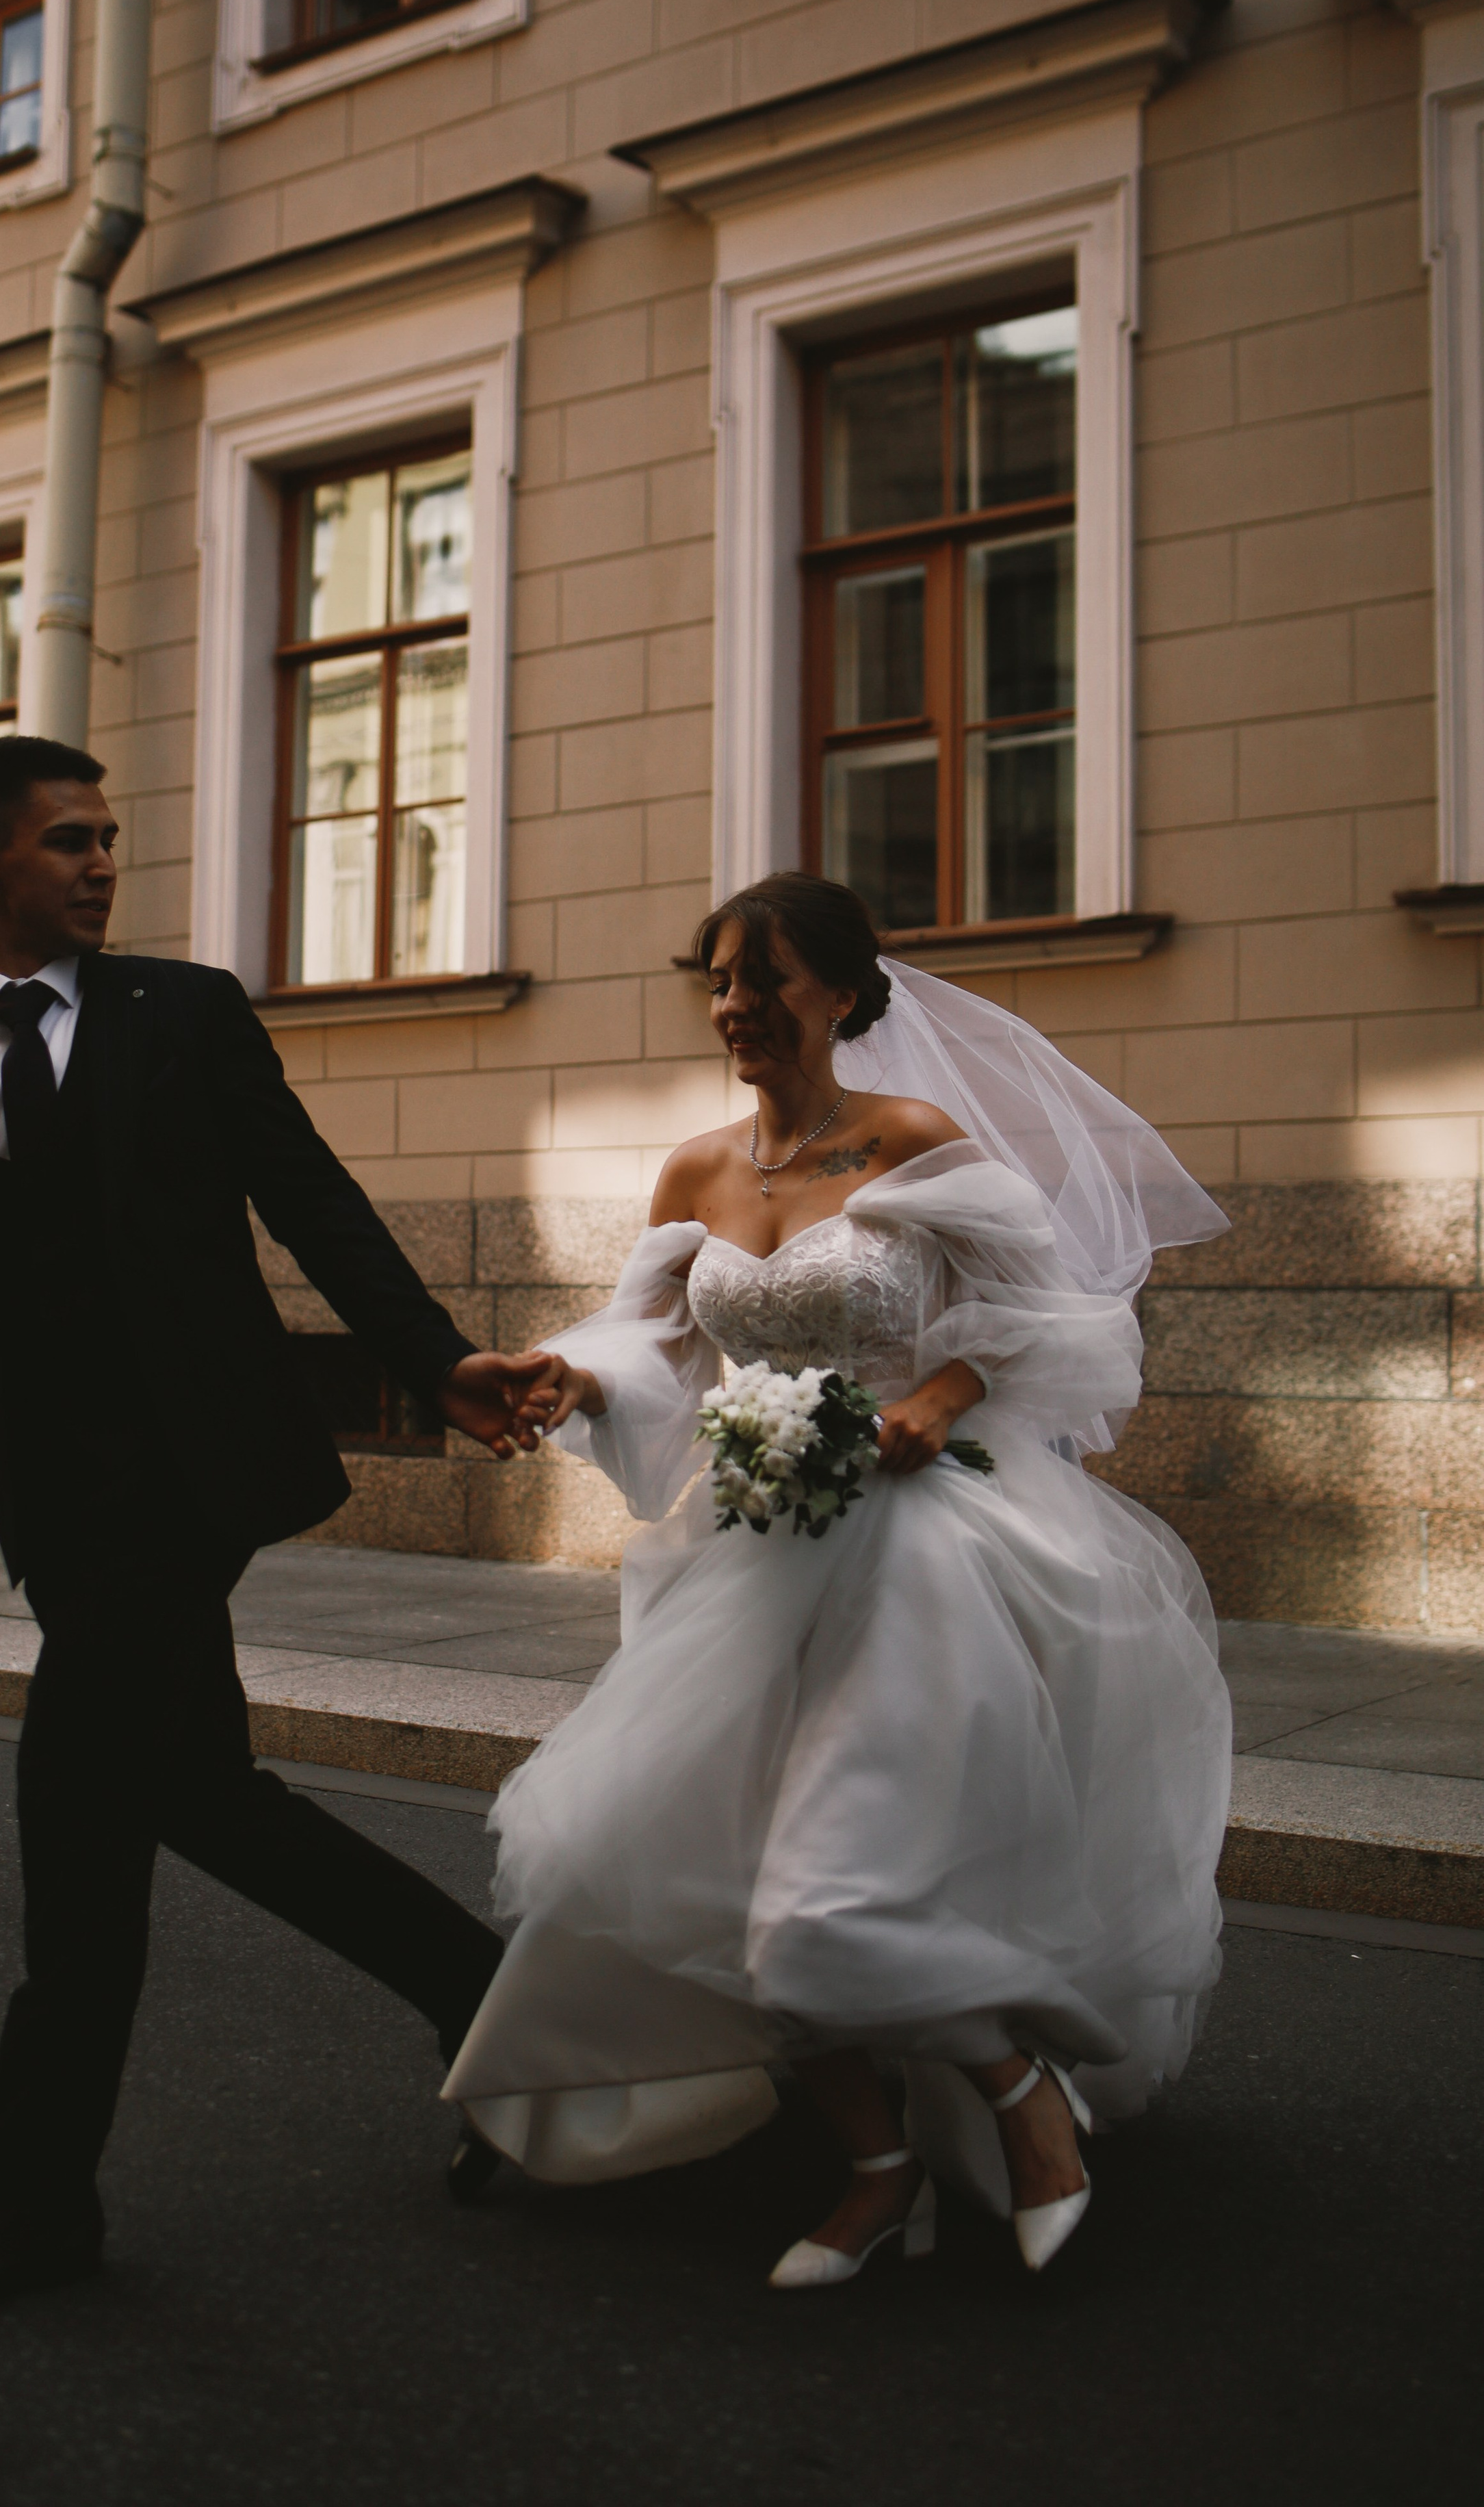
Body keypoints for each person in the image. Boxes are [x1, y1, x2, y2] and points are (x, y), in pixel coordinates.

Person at [0, 734, 546, 2315]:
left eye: (108, 839)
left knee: (73, 1831)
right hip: (54, 1503)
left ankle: (26, 2209)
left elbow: (312, 1197)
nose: (100, 865)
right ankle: (497, 2015)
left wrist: (436, 1363)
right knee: (202, 1796)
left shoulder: (186, 1013)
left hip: (191, 1477)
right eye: (68, 842)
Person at [442, 873, 1233, 2287]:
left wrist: (934, 1396)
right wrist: (566, 1377)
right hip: (752, 1555)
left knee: (839, 1881)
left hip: (921, 1548)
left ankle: (1014, 2093)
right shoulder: (693, 1172)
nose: (737, 1007)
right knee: (721, 1859)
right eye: (719, 983)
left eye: (768, 981)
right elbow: (653, 1347)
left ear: (844, 996)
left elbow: (1045, 1311)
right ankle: (873, 2169)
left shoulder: (909, 1140)